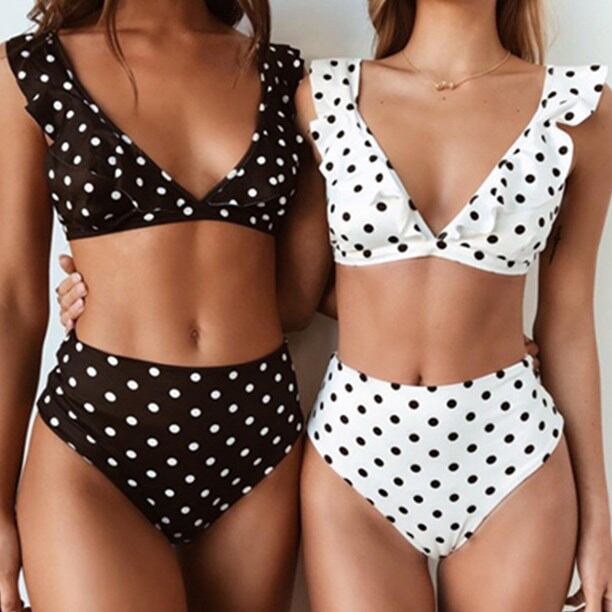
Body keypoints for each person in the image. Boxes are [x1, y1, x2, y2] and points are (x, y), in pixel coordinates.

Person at [0, 1, 330, 610]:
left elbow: (294, 301)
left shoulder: (285, 76)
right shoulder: (35, 66)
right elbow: (14, 301)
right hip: (96, 438)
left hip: (257, 437)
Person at [295, 0, 611, 610]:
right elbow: (295, 292)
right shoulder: (325, 96)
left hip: (511, 457)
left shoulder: (576, 110)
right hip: (356, 457)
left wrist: (599, 526)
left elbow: (570, 323)